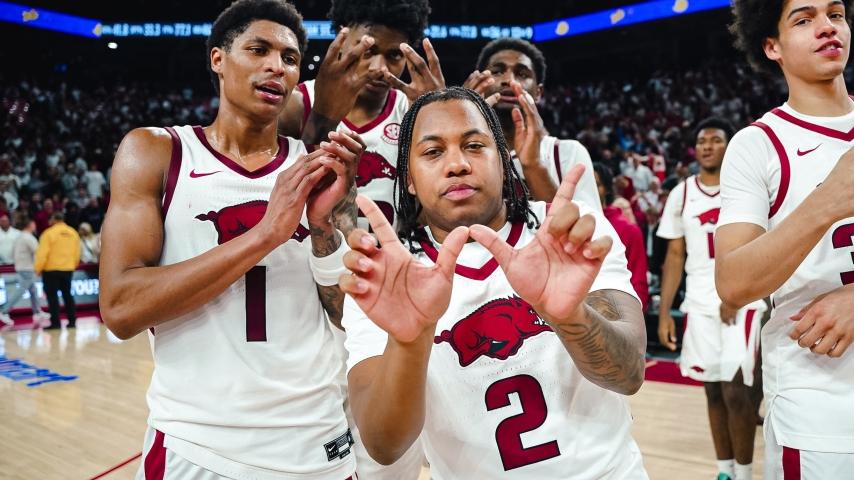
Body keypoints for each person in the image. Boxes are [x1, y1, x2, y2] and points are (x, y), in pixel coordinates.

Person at [98, 1, 365, 478]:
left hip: (315, 440)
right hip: (198, 444)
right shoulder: (157, 152)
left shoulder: (317, 167)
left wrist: (323, 229)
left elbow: (350, 315)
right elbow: (120, 309)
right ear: (218, 59)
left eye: (289, 58)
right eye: (258, 50)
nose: (276, 66)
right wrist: (266, 234)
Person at [341, 87, 648, 478]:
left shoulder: (568, 233)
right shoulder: (388, 275)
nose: (457, 164)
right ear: (409, 179)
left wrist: (571, 316)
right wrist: (410, 341)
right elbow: (383, 446)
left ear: (503, 160)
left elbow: (628, 374)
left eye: (474, 146)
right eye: (433, 152)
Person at [718, 2, 854, 478]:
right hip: (823, 403)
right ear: (771, 45)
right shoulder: (757, 145)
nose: (826, 27)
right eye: (803, 19)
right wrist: (825, 203)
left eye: (836, 14)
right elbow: (733, 283)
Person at [657, 118, 767, 480]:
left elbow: (762, 245)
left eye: (716, 139)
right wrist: (665, 312)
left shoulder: (747, 186)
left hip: (743, 301)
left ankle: (744, 473)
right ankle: (725, 471)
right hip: (700, 302)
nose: (707, 145)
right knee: (714, 391)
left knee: (738, 391)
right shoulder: (682, 193)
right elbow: (675, 255)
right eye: (702, 140)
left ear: (730, 145)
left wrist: (737, 293)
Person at [280, 0, 442, 233]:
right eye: (369, 50)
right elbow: (274, 188)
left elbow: (431, 213)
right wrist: (322, 116)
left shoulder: (410, 111)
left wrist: (436, 120)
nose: (380, 67)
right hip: (308, 253)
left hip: (390, 253)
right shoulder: (297, 104)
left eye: (394, 55)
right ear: (343, 38)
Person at [464, 38, 600, 209]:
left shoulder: (568, 153)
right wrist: (460, 114)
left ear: (538, 92)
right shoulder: (457, 155)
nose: (509, 80)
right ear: (479, 81)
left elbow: (593, 226)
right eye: (497, 72)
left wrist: (533, 166)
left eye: (522, 74)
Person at [593, 163, 649, 311]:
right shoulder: (566, 225)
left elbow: (638, 281)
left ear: (607, 189)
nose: (589, 188)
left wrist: (635, 317)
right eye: (584, 183)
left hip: (615, 315)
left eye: (596, 184)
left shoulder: (629, 230)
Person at [35, 211, 80, 329]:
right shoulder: (73, 233)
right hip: (68, 269)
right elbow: (77, 253)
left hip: (51, 270)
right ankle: (72, 321)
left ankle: (55, 323)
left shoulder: (48, 233)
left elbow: (42, 254)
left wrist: (38, 268)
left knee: (52, 297)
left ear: (53, 220)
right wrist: (73, 265)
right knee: (67, 295)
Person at [0, 216, 47, 328]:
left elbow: (12, 252)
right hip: (27, 267)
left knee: (33, 290)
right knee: (21, 290)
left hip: (21, 266)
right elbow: (39, 252)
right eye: (34, 224)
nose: (35, 226)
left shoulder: (19, 236)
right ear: (30, 225)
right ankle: (4, 311)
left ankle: (37, 312)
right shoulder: (29, 237)